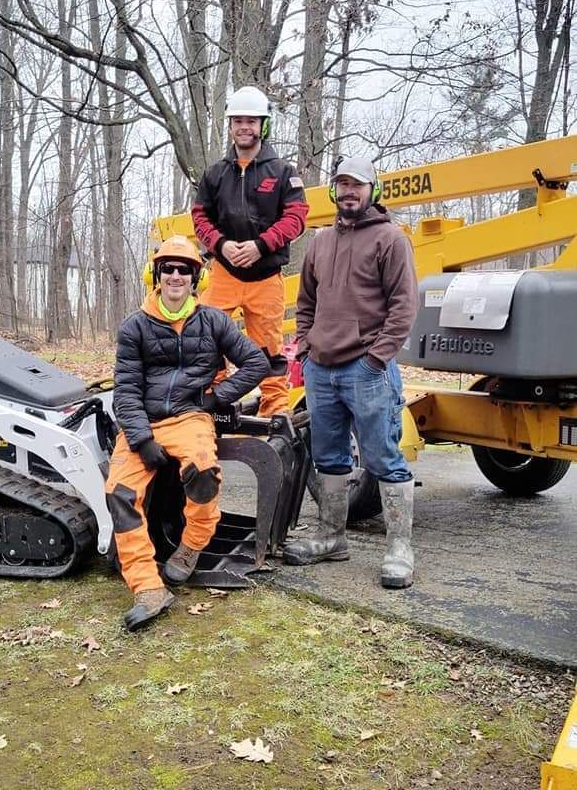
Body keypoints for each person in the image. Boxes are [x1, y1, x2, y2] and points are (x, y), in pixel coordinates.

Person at [106, 235, 269, 631]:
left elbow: (255, 362)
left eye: (184, 269)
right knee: (120, 494)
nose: (176, 276)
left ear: (196, 277)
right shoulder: (135, 326)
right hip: (143, 421)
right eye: (168, 269)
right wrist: (141, 439)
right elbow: (126, 389)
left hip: (190, 418)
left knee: (202, 470)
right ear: (156, 275)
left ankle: (191, 546)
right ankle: (147, 587)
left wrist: (215, 399)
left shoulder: (213, 321)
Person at [283, 156, 419, 589]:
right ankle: (331, 538)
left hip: (367, 370)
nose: (348, 192)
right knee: (329, 457)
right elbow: (306, 302)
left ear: (372, 190)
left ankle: (400, 549)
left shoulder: (391, 240)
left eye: (357, 185)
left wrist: (376, 358)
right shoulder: (320, 241)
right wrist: (305, 344)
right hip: (321, 371)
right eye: (341, 185)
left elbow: (404, 308)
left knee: (383, 458)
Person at [192, 86, 309, 416]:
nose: (245, 127)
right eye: (238, 121)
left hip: (266, 276)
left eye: (251, 121)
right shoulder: (215, 174)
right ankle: (210, 402)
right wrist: (221, 245)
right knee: (206, 338)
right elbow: (200, 216)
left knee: (269, 345)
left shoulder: (282, 172)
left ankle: (274, 411)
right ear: (230, 125)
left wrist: (261, 246)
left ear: (263, 125)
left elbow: (297, 217)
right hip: (223, 274)